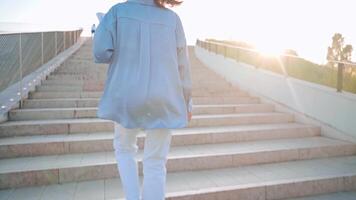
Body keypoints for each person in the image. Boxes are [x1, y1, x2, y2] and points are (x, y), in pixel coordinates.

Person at [92, 0, 192, 199]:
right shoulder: (172, 19)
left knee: (124, 149)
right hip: (164, 98)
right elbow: (183, 66)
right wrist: (187, 102)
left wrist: (102, 27)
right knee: (156, 161)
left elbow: (101, 53)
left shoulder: (117, 12)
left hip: (127, 97)